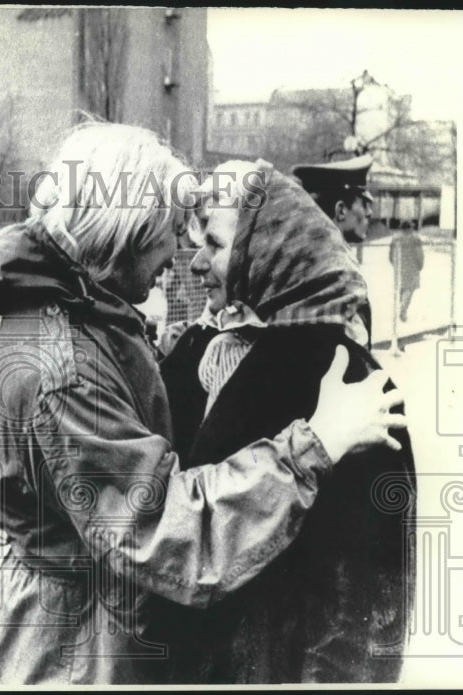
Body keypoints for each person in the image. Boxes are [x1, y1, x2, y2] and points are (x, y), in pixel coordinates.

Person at [0, 124, 409, 685]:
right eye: (173, 232)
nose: (182, 255)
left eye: (209, 242)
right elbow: (167, 530)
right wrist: (314, 445)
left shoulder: (98, 324)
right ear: (128, 230)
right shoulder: (65, 368)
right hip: (79, 656)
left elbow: (360, 608)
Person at [155, 160, 416, 684]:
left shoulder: (344, 377)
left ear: (266, 248)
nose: (197, 264)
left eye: (216, 245)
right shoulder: (197, 355)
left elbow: (364, 603)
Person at [291, 154, 375, 344]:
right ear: (341, 210)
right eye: (364, 203)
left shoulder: (301, 262)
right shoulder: (339, 275)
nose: (369, 212)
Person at [390, 220, 424, 323]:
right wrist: (420, 265)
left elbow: (391, 254)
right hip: (412, 267)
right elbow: (420, 254)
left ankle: (402, 307)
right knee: (410, 288)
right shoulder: (415, 238)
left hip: (399, 266)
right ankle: (403, 309)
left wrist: (394, 263)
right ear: (410, 227)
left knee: (402, 288)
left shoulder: (395, 238)